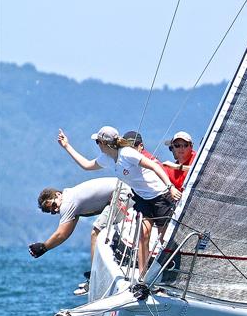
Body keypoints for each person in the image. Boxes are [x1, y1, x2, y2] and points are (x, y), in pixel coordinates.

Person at [57, 126, 182, 280]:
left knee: (164, 239)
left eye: (97, 142)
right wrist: (67, 146)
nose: (97, 145)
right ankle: (142, 279)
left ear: (105, 143)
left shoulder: (127, 153)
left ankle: (170, 274)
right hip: (143, 198)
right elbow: (86, 165)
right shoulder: (107, 158)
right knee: (143, 235)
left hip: (160, 196)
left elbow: (155, 166)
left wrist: (170, 187)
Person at [30, 177, 130, 293]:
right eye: (52, 212)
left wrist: (43, 248)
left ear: (58, 194)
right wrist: (44, 247)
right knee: (102, 229)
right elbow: (67, 232)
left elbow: (61, 234)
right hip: (123, 191)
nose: (56, 210)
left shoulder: (67, 202)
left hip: (122, 195)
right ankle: (104, 272)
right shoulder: (71, 199)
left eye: (53, 205)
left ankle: (95, 277)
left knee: (96, 232)